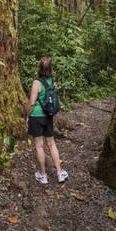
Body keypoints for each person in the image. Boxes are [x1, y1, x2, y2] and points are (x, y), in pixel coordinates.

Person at [25, 57, 68, 185]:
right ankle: (60, 173)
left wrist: (27, 115)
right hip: (48, 116)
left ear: (39, 68)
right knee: (51, 144)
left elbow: (32, 102)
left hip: (37, 116)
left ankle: (43, 176)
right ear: (50, 68)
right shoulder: (52, 81)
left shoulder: (36, 83)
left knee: (39, 145)